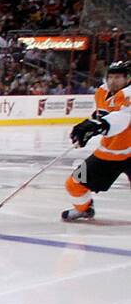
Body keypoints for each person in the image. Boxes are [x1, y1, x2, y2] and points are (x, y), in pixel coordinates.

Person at [62, 60, 131, 221]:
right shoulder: (102, 92)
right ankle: (84, 209)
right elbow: (102, 115)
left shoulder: (128, 94)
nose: (113, 81)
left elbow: (123, 118)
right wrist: (88, 127)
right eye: (111, 77)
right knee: (74, 184)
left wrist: (100, 125)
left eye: (118, 77)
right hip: (109, 153)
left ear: (128, 78)